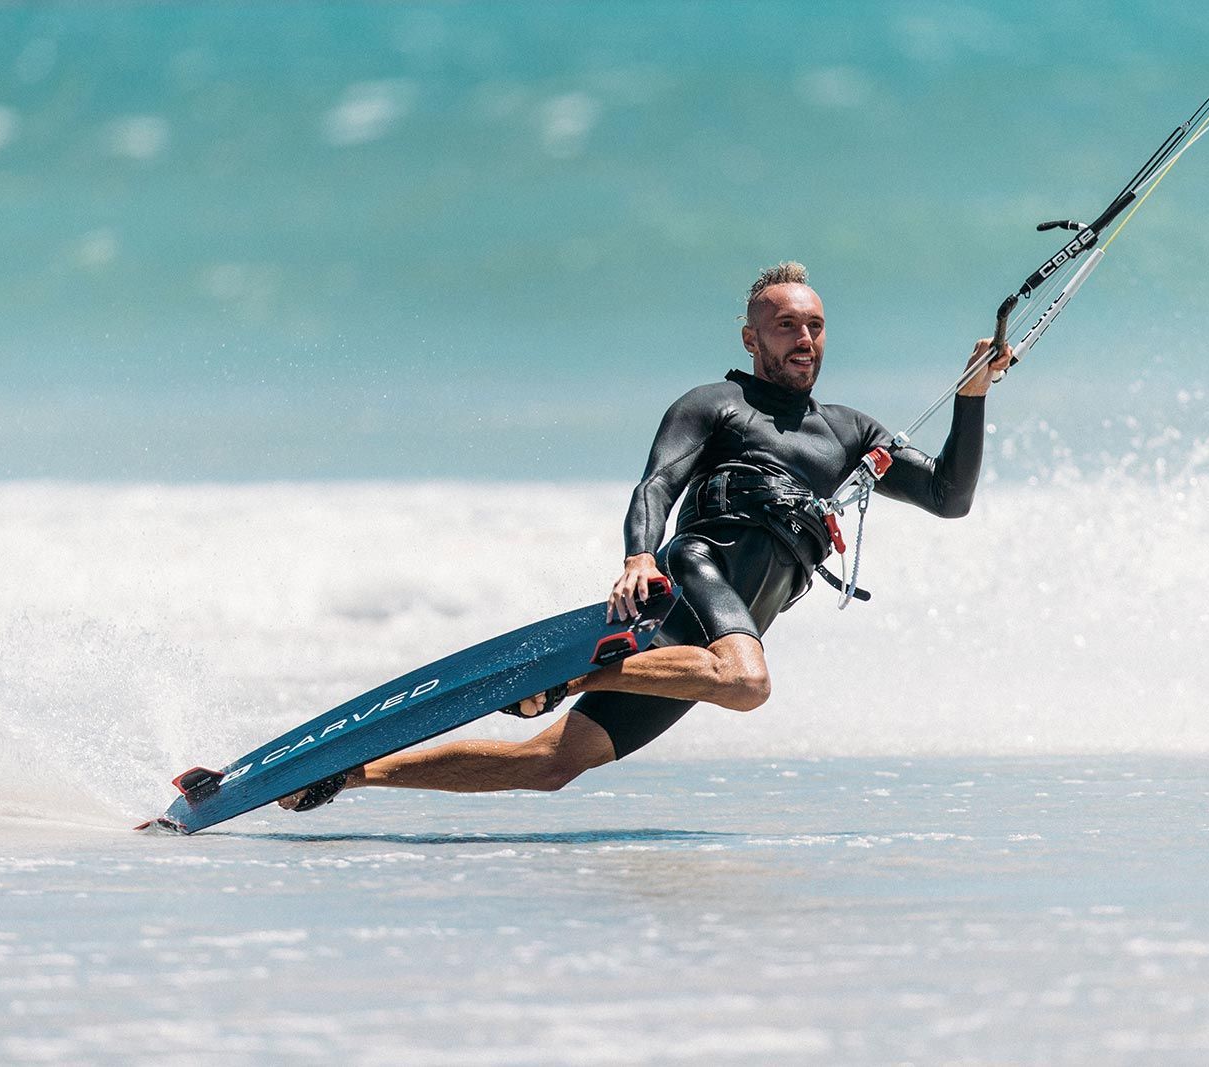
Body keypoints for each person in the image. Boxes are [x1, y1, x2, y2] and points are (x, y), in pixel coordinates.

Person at [279, 262, 1011, 812]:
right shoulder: (717, 405)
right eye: (786, 324)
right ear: (752, 336)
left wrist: (972, 395)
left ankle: (350, 772)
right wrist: (636, 556)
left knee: (550, 763)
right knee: (749, 685)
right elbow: (656, 484)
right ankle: (578, 671)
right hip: (697, 576)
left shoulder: (852, 432)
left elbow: (951, 496)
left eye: (814, 325)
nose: (804, 338)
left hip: (720, 635)